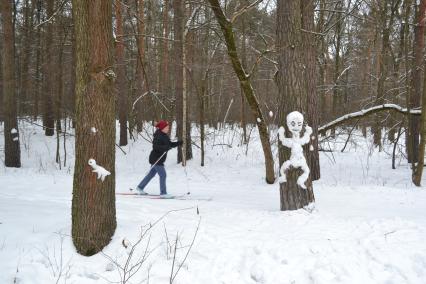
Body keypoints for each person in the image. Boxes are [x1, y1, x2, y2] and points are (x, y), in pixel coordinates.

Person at [135, 120, 182, 198]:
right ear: (162, 128)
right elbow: (156, 147)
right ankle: (163, 193)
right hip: (156, 159)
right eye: (166, 127)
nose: (168, 129)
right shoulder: (158, 135)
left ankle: (140, 187)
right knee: (163, 175)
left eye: (168, 127)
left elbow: (169, 144)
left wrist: (178, 143)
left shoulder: (164, 135)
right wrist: (165, 148)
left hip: (158, 159)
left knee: (151, 174)